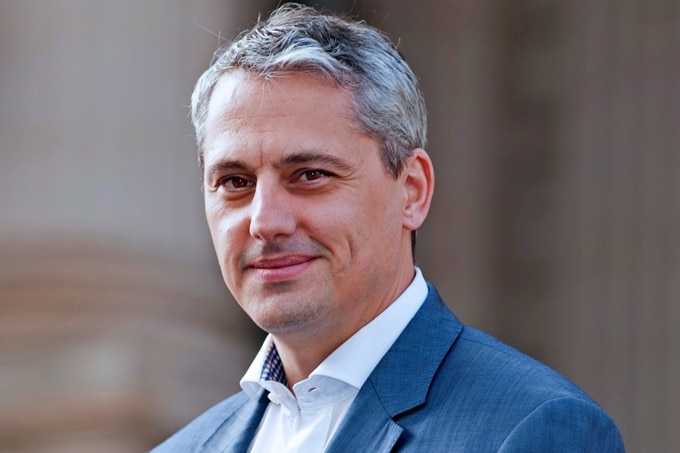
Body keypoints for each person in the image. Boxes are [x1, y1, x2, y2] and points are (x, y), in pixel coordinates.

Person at [153, 3, 624, 452]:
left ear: (412, 190)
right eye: (235, 182)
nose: (265, 221)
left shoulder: (533, 428)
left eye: (310, 175)